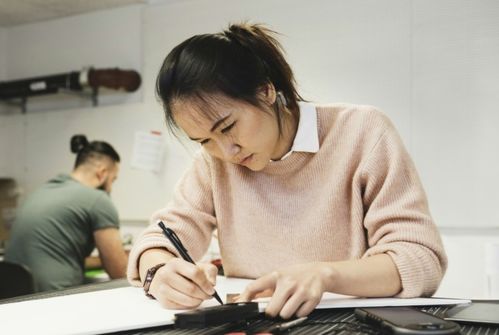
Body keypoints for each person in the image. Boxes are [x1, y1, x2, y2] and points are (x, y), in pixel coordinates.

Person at [126, 23, 447, 319]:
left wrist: (325, 275)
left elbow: (419, 258)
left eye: (228, 127)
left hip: (345, 323)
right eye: (204, 140)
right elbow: (161, 238)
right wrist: (160, 272)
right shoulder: (212, 163)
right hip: (256, 324)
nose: (227, 152)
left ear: (266, 91)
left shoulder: (361, 132)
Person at [6, 135, 128, 292]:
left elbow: (56, 254)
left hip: (14, 296)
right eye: (113, 180)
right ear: (102, 173)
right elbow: (119, 273)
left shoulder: (43, 190)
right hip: (56, 297)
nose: (111, 188)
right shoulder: (98, 199)